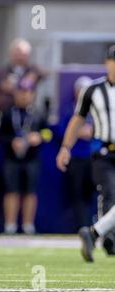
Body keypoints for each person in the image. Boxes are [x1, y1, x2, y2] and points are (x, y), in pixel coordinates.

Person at [57, 45, 115, 262]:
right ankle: (108, 239)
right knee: (109, 192)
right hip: (103, 151)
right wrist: (65, 148)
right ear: (107, 63)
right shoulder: (93, 90)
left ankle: (93, 233)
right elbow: (77, 120)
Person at [0, 82, 49, 235]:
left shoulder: (38, 114)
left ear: (33, 95)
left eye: (28, 92)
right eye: (21, 92)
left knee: (30, 192)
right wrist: (12, 140)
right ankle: (10, 225)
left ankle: (28, 225)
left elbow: (49, 133)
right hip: (12, 158)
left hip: (32, 158)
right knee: (11, 190)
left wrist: (39, 136)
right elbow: (0, 135)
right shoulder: (7, 113)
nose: (24, 95)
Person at [58, 76, 94, 230]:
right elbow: (60, 131)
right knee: (76, 193)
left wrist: (93, 132)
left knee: (94, 193)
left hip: (95, 157)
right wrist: (78, 131)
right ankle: (82, 226)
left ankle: (96, 227)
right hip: (75, 157)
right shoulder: (69, 110)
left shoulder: (98, 111)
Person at [0, 38, 46, 116]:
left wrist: (34, 75)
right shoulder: (3, 71)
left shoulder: (32, 70)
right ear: (11, 54)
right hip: (4, 112)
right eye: (17, 54)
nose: (19, 57)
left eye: (23, 54)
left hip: (25, 112)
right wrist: (2, 86)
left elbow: (45, 73)